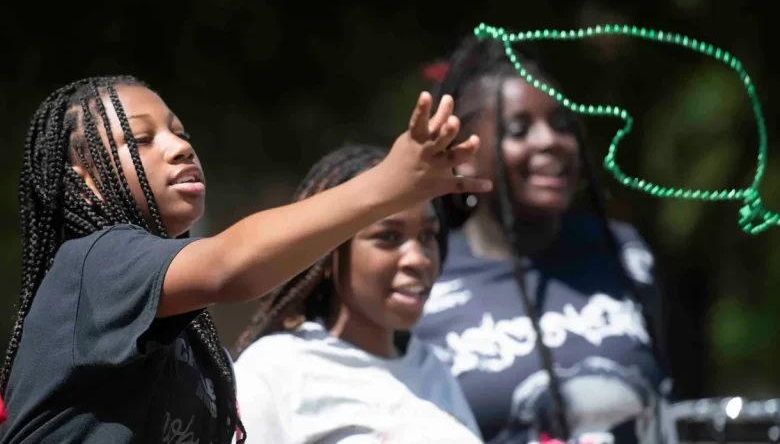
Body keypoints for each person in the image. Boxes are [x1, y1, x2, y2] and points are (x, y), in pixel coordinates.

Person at [0, 75, 491, 444]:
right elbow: (231, 265)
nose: (179, 148)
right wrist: (389, 184)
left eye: (180, 132)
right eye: (142, 140)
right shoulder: (93, 265)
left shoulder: (180, 331)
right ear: (83, 178)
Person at [412, 36, 678, 444]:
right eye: (518, 130)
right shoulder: (424, 276)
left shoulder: (623, 251)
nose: (549, 141)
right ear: (463, 154)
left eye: (562, 124)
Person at [231, 143, 484, 444]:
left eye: (428, 235)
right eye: (388, 237)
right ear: (327, 251)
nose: (418, 258)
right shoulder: (275, 369)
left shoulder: (432, 369)